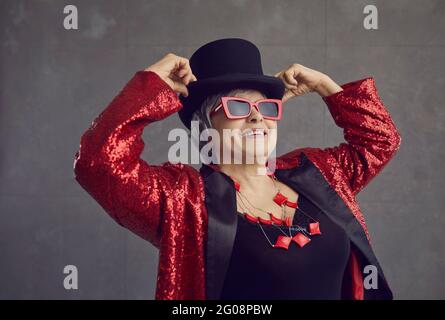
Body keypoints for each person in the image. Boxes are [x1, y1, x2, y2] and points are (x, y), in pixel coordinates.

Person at [73, 38, 401, 300]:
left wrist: (324, 86)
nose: (257, 117)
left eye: (266, 107)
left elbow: (379, 142)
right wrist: (150, 85)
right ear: (205, 124)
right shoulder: (183, 200)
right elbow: (99, 164)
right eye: (238, 106)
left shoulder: (317, 172)